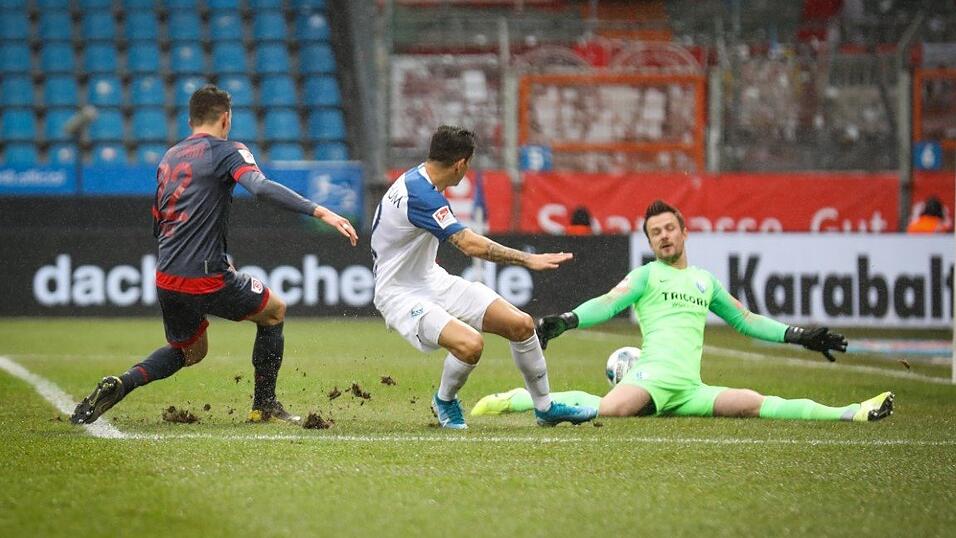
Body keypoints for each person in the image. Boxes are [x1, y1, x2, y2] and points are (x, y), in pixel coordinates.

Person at [71, 85, 358, 425]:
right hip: (204, 274)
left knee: (191, 351)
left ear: (190, 120)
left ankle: (122, 382)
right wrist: (319, 211)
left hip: (166, 273)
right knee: (274, 312)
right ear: (226, 118)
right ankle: (264, 406)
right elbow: (260, 187)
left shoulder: (170, 157)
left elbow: (160, 221)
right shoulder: (227, 150)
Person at [472, 199, 894, 423]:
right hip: (652, 375)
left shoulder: (705, 281)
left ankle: (851, 412)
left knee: (752, 402)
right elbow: (607, 302)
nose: (664, 236)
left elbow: (745, 320)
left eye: (669, 228)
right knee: (610, 409)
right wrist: (566, 320)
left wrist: (799, 335)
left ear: (684, 231)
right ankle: (517, 399)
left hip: (689, 388)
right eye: (655, 232)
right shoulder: (646, 276)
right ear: (650, 242)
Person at [370, 125, 596, 429]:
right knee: (470, 345)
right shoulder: (422, 195)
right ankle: (445, 400)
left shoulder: (420, 179)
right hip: (399, 293)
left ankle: (545, 407)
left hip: (431, 279)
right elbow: (468, 244)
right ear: (461, 163)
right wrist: (527, 258)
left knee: (522, 325)